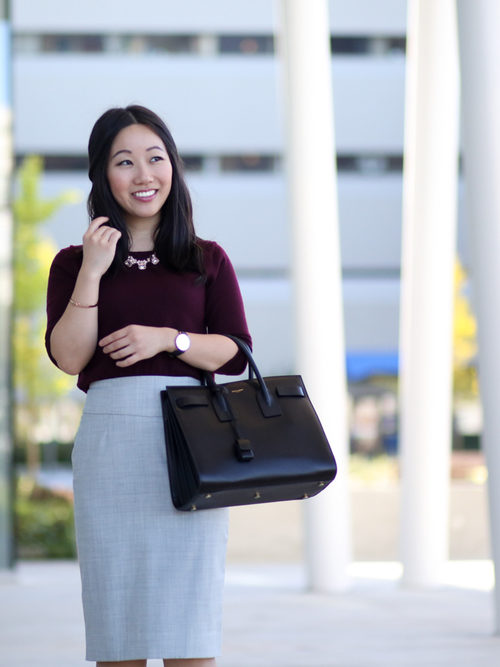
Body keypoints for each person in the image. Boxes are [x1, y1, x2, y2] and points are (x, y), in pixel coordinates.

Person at [45, 105, 251, 667]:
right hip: (111, 451)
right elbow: (68, 357)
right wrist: (93, 268)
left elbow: (235, 352)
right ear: (102, 177)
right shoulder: (71, 264)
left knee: (191, 636)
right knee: (119, 642)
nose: (143, 175)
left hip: (192, 446)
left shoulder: (205, 258)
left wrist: (169, 339)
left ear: (173, 168)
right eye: (125, 162)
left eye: (155, 159)